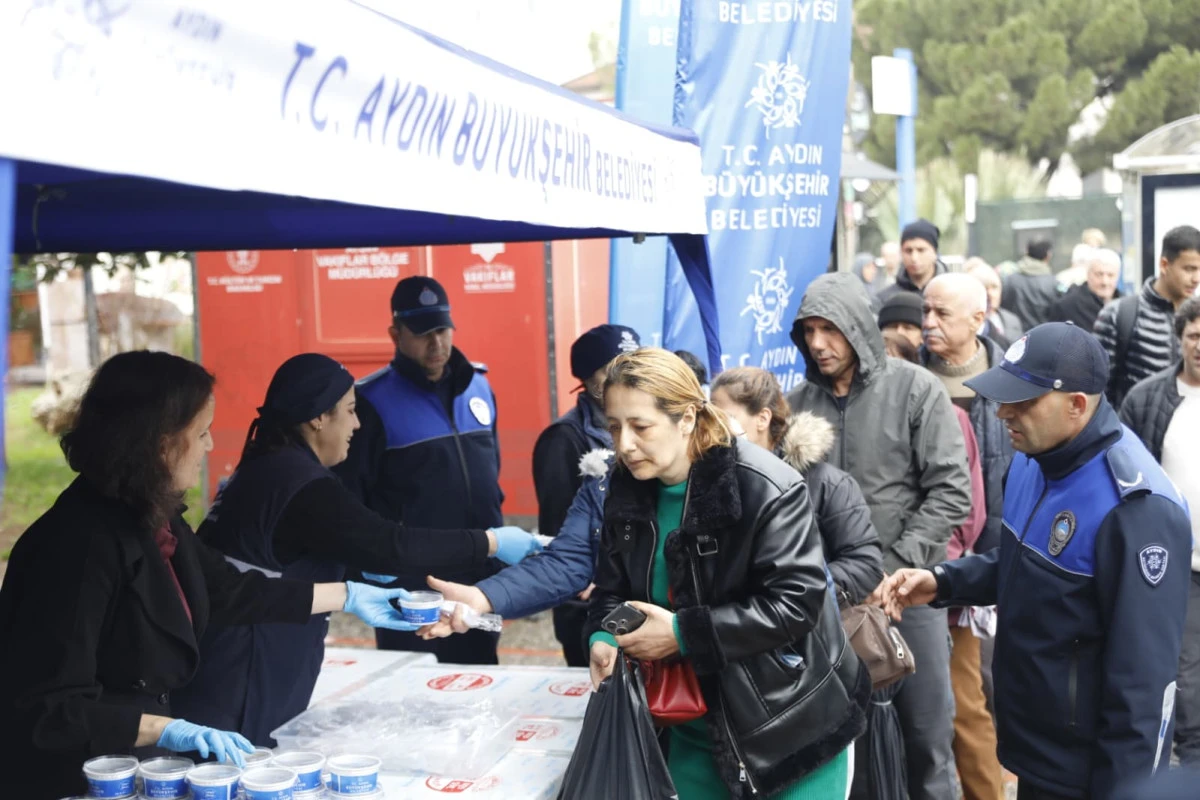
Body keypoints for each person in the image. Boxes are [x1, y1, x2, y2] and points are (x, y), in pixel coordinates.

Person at [0, 351, 420, 800]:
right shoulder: (77, 547)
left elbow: (226, 590)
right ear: (158, 443)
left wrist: (345, 596)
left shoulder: (149, 514)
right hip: (70, 777)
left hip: (128, 763)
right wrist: (167, 729)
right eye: (201, 432)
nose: (210, 447)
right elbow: (48, 710)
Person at [880, 322, 1192, 800]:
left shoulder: (1136, 509)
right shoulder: (1032, 458)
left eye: (1023, 402)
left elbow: (1143, 693)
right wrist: (943, 581)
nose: (1004, 412)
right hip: (1034, 750)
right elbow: (1025, 562)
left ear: (1077, 405)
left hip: (1087, 772)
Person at [171, 354, 540, 745]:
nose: (357, 424)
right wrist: (491, 541)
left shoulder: (270, 466)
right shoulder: (297, 481)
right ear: (317, 418)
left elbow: (287, 554)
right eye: (350, 411)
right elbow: (393, 546)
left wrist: (353, 572)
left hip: (241, 657)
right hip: (244, 670)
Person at [587, 348, 868, 798]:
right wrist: (604, 639)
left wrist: (684, 633)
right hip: (689, 733)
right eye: (613, 427)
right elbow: (610, 590)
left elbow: (797, 604)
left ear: (686, 419)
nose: (624, 444)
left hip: (790, 734)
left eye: (640, 427)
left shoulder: (766, 485)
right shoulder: (627, 488)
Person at [787, 272, 971, 800]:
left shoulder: (916, 388)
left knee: (925, 738)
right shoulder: (797, 404)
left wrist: (890, 572)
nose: (818, 343)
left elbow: (951, 493)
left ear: (859, 327)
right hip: (825, 607)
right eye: (809, 331)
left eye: (831, 329)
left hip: (908, 596)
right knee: (840, 746)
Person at [334, 276, 508, 664]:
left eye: (443, 329)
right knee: (414, 697)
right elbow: (351, 499)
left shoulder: (479, 387)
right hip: (414, 587)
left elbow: (488, 478)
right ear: (395, 334)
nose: (437, 343)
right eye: (423, 332)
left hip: (479, 575)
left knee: (481, 680)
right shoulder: (371, 402)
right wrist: (370, 570)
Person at [709, 366, 883, 604]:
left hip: (808, 628)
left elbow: (864, 563)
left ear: (762, 419)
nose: (715, 428)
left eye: (726, 417)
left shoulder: (826, 483)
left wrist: (799, 594)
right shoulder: (711, 483)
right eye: (710, 417)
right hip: (736, 627)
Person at [1119, 297, 1200, 767]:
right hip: (1179, 567)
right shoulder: (1148, 398)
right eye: (1194, 335)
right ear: (1180, 338)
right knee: (1188, 679)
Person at [531, 324, 639, 666]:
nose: (629, 377)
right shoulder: (563, 440)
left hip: (634, 602)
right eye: (615, 369)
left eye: (634, 364)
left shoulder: (644, 426)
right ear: (590, 382)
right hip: (589, 610)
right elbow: (560, 538)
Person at [919, 273, 1015, 555]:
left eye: (942, 313)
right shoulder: (907, 380)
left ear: (977, 318)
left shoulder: (1011, 380)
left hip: (997, 545)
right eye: (925, 311)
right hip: (927, 547)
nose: (928, 323)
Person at [1095, 225, 1200, 408]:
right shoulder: (1119, 314)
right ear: (1164, 265)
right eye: (1189, 269)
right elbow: (1097, 391)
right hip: (1133, 431)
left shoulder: (1196, 317)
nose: (1196, 278)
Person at [877, 219, 948, 305]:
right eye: (908, 251)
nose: (914, 258)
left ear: (935, 252)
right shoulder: (886, 300)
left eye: (921, 250)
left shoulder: (952, 294)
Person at [1048, 248, 1120, 331]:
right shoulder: (1067, 306)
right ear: (1088, 274)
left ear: (1117, 276)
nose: (1105, 282)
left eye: (1110, 275)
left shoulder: (1126, 307)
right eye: (1099, 274)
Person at [1000, 238, 1061, 331]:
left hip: (1016, 335)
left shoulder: (1009, 280)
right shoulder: (1053, 283)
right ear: (1048, 256)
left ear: (1027, 252)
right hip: (1044, 334)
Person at [964, 258, 1024, 350]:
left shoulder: (1012, 320)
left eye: (994, 287)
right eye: (985, 287)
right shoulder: (965, 321)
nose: (990, 294)